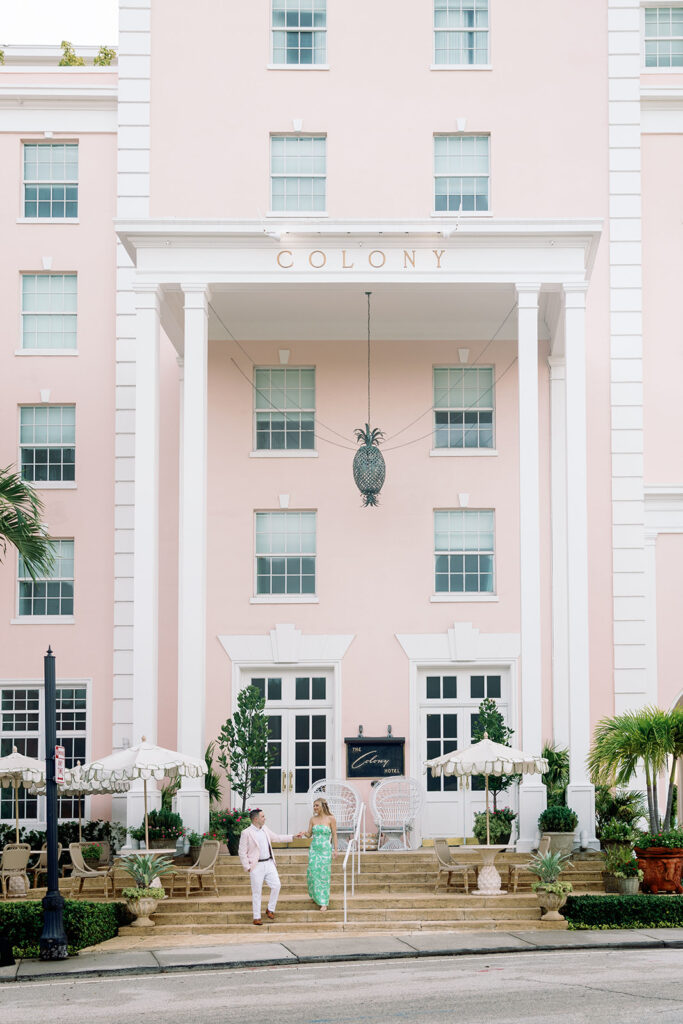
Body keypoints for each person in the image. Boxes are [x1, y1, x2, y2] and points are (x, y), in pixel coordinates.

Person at [238, 807, 301, 926]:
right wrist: (248, 867)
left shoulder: (265, 829)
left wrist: (293, 837)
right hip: (256, 866)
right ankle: (256, 917)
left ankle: (270, 909)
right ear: (256, 819)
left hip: (269, 863)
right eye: (262, 816)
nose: (265, 818)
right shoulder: (246, 832)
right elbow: (242, 851)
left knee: (277, 885)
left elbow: (276, 837)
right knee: (257, 892)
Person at [301, 798, 338, 912]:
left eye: (317, 805)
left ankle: (323, 901)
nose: (315, 808)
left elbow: (335, 835)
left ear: (323, 806)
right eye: (314, 806)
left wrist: (335, 850)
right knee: (312, 872)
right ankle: (315, 895)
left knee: (324, 875)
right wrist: (303, 833)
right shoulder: (312, 819)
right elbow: (309, 834)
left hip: (325, 850)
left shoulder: (331, 819)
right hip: (314, 849)